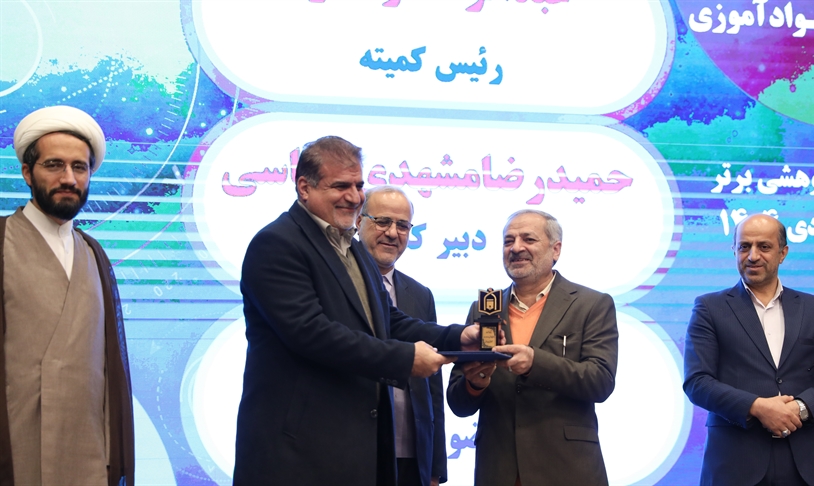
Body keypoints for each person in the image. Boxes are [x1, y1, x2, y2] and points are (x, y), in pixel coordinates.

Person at [234, 136, 479, 486]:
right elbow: (313, 334)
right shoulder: (277, 244)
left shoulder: (352, 247)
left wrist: (457, 337)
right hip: (295, 458)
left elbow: (387, 320)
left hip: (353, 455)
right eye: (340, 186)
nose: (354, 197)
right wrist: (406, 359)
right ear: (304, 187)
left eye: (359, 185)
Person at [0, 106, 135, 485]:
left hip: (87, 452)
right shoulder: (2, 242)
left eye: (80, 167)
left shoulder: (94, 253)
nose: (68, 179)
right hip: (16, 449)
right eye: (54, 165)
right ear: (27, 172)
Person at [447, 209, 618, 486]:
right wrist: (475, 384)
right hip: (498, 471)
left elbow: (600, 382)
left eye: (528, 239)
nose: (516, 248)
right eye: (508, 241)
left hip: (567, 470)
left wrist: (534, 363)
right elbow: (458, 403)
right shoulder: (484, 309)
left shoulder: (591, 304)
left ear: (556, 249)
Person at [683, 214, 814, 486]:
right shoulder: (709, 308)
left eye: (764, 247)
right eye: (744, 246)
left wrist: (799, 409)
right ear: (734, 250)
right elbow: (697, 382)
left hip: (807, 465)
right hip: (735, 464)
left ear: (783, 253)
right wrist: (758, 407)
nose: (753, 256)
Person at [356, 186, 448, 486]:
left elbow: (433, 388)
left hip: (412, 456)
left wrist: (435, 468)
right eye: (383, 221)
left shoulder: (421, 295)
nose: (393, 233)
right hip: (357, 451)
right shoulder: (341, 283)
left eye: (403, 225)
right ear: (359, 221)